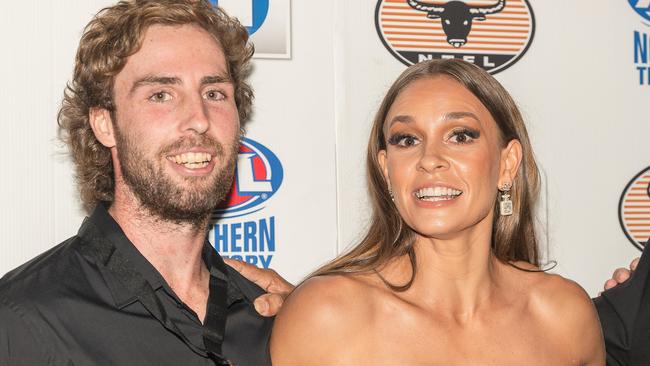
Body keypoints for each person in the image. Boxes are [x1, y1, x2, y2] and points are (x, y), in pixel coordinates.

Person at [0, 1, 291, 364]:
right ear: (105, 124)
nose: (198, 119)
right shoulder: (24, 320)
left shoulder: (272, 317)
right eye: (161, 95)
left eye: (214, 93)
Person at [269, 59, 606, 365]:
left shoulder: (563, 316)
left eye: (460, 136)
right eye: (407, 140)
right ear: (387, 169)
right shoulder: (329, 317)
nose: (429, 158)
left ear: (507, 163)